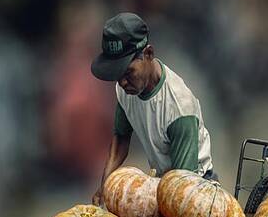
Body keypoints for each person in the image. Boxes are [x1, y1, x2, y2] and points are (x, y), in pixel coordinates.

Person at [91, 12, 214, 205]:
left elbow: (182, 187)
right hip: (161, 183)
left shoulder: (179, 108)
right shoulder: (126, 89)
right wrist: (104, 187)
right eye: (117, 74)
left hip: (195, 190)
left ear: (148, 54)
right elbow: (121, 139)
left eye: (128, 72)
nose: (122, 81)